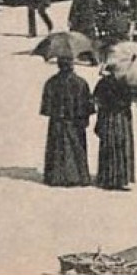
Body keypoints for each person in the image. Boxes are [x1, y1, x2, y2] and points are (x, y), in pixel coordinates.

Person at [41, 56, 94, 185]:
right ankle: (77, 176)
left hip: (57, 122)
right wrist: (84, 118)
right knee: (76, 148)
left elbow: (46, 108)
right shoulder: (81, 83)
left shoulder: (51, 82)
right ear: (72, 65)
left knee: (57, 148)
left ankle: (56, 176)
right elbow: (87, 106)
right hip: (75, 122)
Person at [92, 69, 137, 191]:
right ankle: (122, 178)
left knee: (108, 146)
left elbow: (95, 99)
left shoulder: (103, 82)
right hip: (122, 118)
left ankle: (106, 177)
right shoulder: (127, 82)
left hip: (108, 117)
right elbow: (135, 97)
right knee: (122, 146)